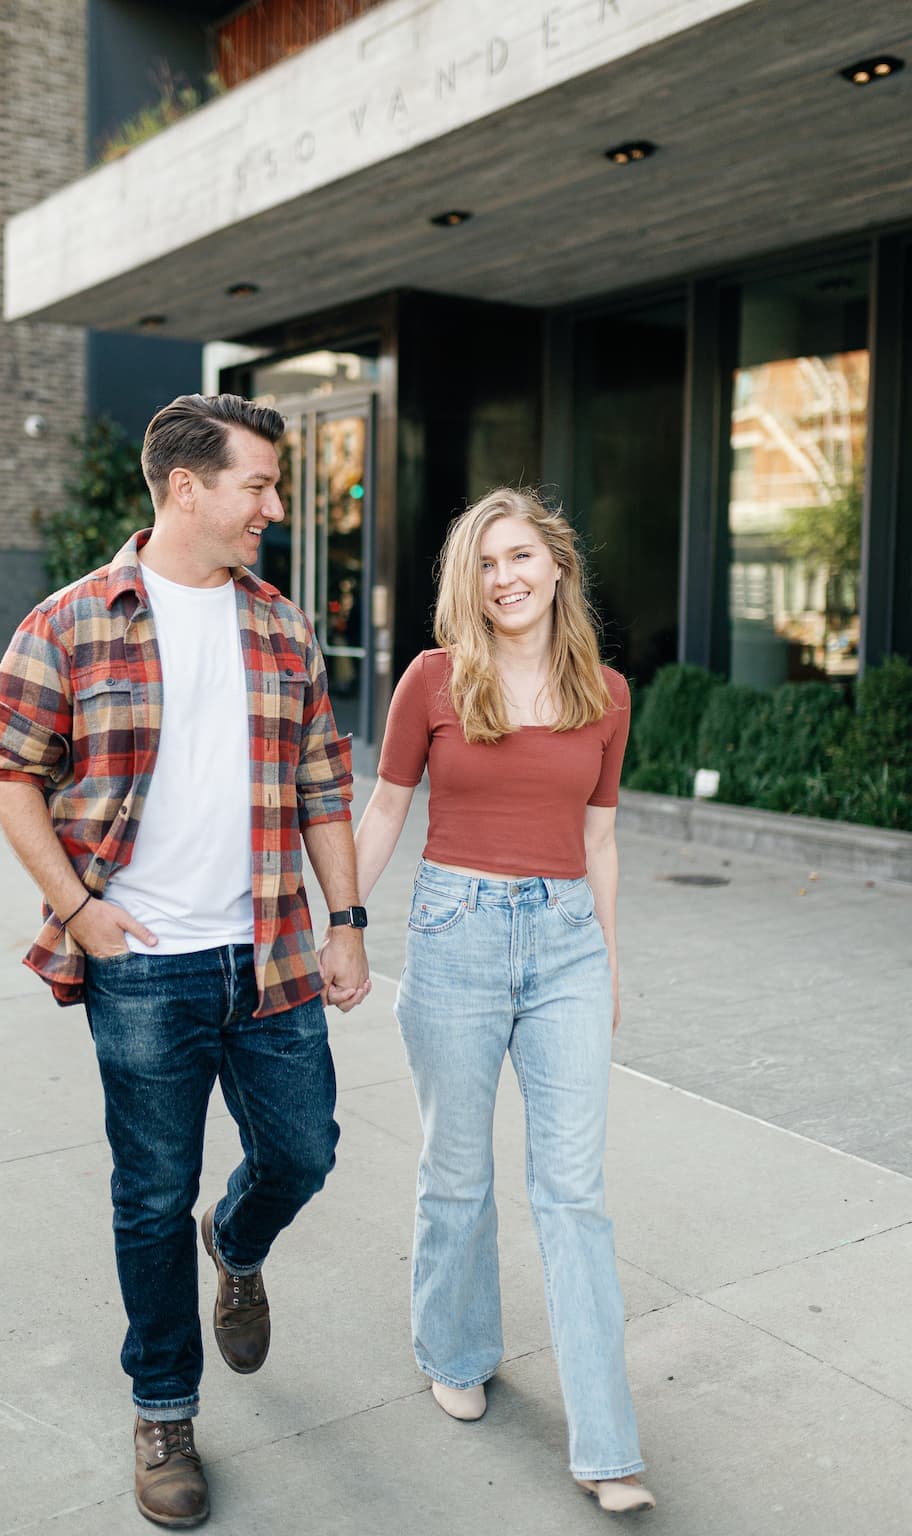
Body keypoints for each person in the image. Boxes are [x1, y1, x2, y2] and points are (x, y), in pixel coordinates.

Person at [0, 392, 371, 1529]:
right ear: (185, 488)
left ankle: (237, 1245)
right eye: (257, 484)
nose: (274, 507)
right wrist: (77, 909)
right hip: (144, 965)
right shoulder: (71, 620)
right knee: (151, 1196)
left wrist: (345, 920)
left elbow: (322, 783)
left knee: (303, 1152)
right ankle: (163, 1410)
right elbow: (7, 766)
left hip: (272, 954)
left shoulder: (283, 627)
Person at [353, 488, 654, 1515]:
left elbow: (602, 837)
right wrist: (343, 924)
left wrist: (609, 962)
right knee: (457, 1171)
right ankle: (455, 1347)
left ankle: (607, 1446)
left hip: (567, 941)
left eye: (520, 556)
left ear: (557, 567)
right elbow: (387, 804)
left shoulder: (606, 692)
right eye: (485, 563)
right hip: (453, 937)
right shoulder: (434, 680)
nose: (505, 577)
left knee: (572, 1192)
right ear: (466, 583)